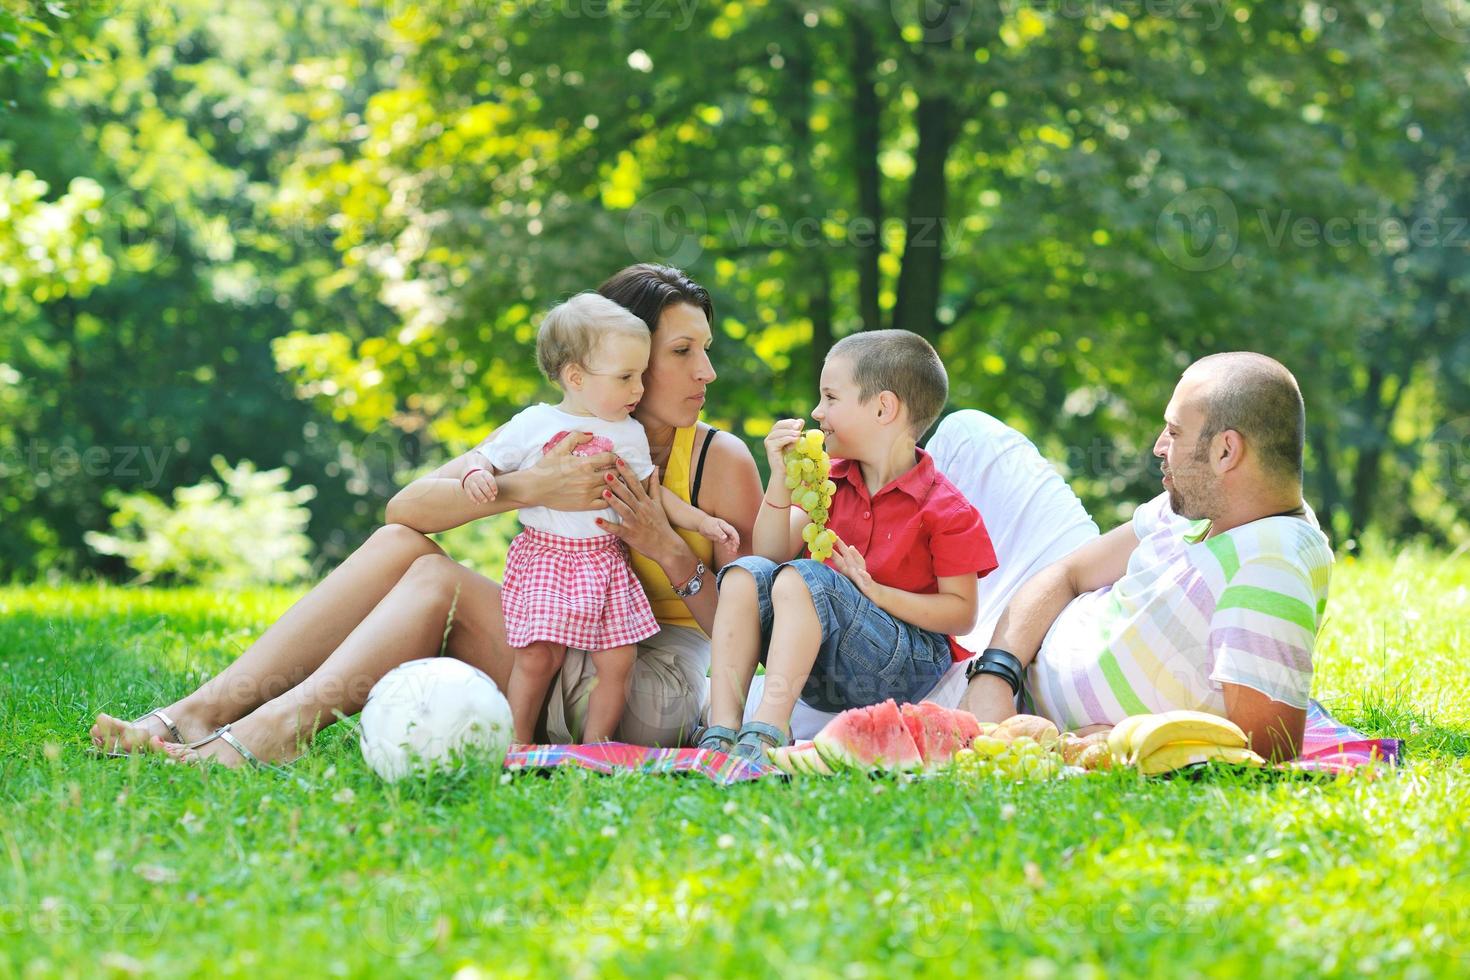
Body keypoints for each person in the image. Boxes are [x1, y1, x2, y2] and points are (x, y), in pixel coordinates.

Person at [89, 264, 763, 766]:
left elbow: (754, 638)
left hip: (648, 686)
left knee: (437, 583)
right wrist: (532, 486)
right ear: (603, 360)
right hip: (555, 649)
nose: (705, 371)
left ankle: (268, 735)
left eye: (703, 349)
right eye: (681, 352)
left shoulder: (717, 460)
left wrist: (670, 549)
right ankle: (194, 715)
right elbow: (406, 510)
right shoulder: (552, 431)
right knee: (402, 549)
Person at [958, 352, 1332, 761]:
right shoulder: (1206, 505)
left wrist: (1118, 739)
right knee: (969, 433)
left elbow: (1266, 750)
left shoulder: (1269, 566)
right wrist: (995, 672)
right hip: (1016, 642)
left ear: (1226, 451)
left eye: (1174, 431)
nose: (1158, 446)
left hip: (1016, 704)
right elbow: (1067, 573)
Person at [697, 329, 998, 760]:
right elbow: (768, 551)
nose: (818, 412)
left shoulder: (945, 509)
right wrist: (780, 481)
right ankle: (723, 730)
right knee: (746, 575)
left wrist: (876, 592)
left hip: (904, 664)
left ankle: (767, 730)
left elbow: (961, 613)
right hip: (827, 663)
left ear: (883, 408)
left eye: (831, 398)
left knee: (808, 578)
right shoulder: (830, 479)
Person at [474, 292, 737, 743]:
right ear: (576, 376)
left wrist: (698, 522)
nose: (636, 389)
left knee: (618, 660)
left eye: (639, 375)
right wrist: (484, 475)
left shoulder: (627, 432)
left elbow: (649, 493)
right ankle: (517, 741)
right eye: (626, 377)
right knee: (538, 656)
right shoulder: (534, 423)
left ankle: (597, 745)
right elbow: (485, 458)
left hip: (603, 564)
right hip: (547, 559)